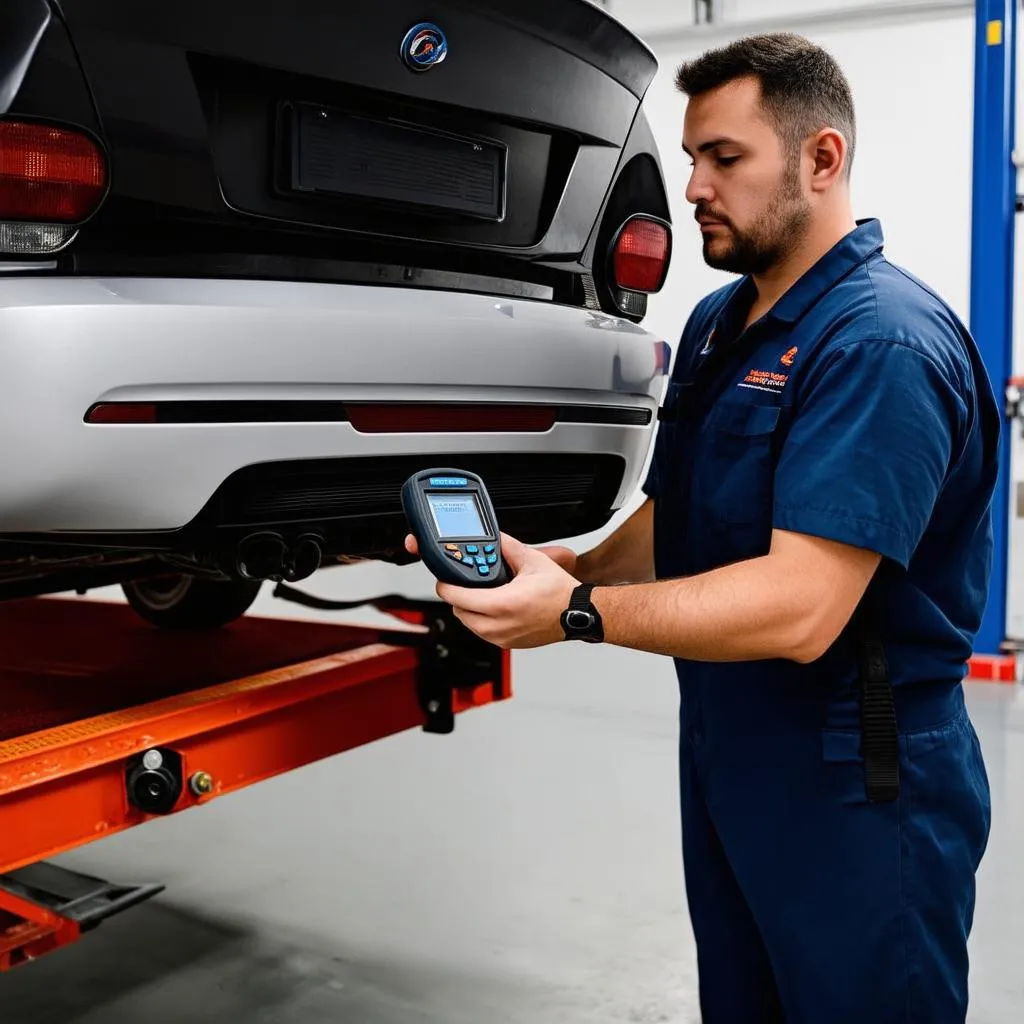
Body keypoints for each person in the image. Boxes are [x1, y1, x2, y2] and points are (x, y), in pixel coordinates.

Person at [406, 32, 999, 1024]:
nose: (692, 187)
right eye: (690, 158)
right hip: (732, 750)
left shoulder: (879, 345)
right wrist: (567, 566)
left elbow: (803, 607)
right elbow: (680, 517)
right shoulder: (726, 324)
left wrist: (579, 612)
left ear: (821, 159)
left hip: (859, 779)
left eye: (725, 159)